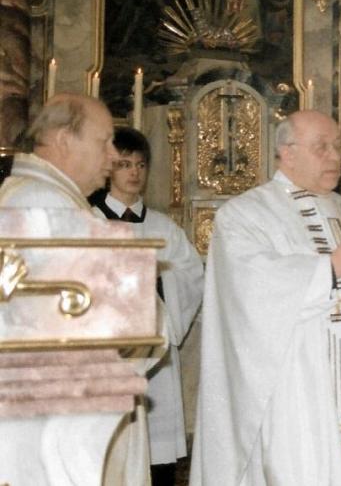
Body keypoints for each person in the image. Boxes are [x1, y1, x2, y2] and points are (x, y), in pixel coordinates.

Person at [191, 110, 341, 486]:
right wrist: (332, 267)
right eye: (322, 147)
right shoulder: (245, 215)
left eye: (338, 147)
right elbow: (251, 288)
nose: (336, 157)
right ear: (287, 153)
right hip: (301, 388)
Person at [0, 93, 159, 486]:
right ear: (63, 140)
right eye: (103, 141)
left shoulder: (36, 196)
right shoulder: (44, 203)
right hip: (57, 415)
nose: (111, 156)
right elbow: (119, 317)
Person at [88, 127, 204, 485]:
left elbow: (191, 276)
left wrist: (158, 281)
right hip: (103, 351)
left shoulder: (164, 228)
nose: (134, 173)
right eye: (125, 164)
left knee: (157, 459)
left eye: (140, 165)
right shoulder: (87, 220)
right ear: (109, 169)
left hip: (154, 355)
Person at [1, 93, 116, 206]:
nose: (115, 155)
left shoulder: (46, 193)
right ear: (64, 141)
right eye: (104, 142)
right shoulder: (43, 199)